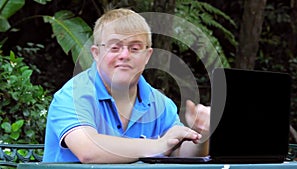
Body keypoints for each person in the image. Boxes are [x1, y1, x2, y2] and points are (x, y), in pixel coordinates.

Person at [43, 8, 210, 164]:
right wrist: (159, 145)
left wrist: (201, 135)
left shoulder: (161, 104)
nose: (124, 55)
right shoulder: (73, 95)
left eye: (135, 48)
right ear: (96, 53)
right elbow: (88, 150)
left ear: (147, 55)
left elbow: (180, 152)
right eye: (115, 47)